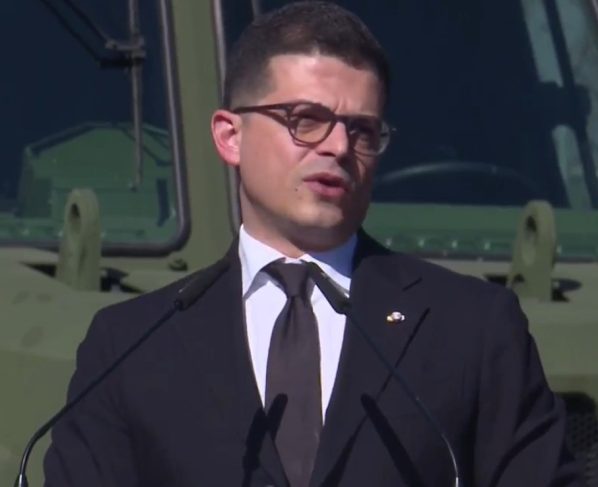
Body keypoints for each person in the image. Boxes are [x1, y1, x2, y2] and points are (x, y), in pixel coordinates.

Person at [44, 2, 583, 486]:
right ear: (230, 136)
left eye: (362, 130)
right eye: (306, 120)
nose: (339, 147)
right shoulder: (130, 346)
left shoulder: (473, 329)